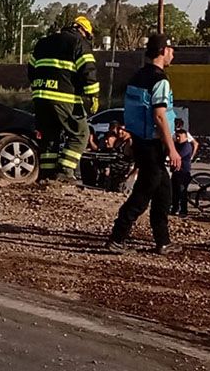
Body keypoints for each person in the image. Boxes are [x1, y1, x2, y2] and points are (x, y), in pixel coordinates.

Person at [107, 35, 180, 254]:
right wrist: (172, 148)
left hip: (140, 141)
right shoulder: (160, 80)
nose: (173, 54)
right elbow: (159, 116)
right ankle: (117, 238)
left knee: (164, 192)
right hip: (151, 145)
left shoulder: (137, 77)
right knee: (142, 193)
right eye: (171, 49)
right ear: (162, 51)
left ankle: (163, 240)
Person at [29, 15, 100, 183]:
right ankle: (65, 172)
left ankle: (46, 175)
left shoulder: (43, 43)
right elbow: (88, 71)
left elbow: (31, 69)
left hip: (40, 98)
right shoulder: (78, 43)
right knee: (81, 133)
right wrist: (93, 96)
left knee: (49, 136)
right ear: (83, 30)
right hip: (64, 97)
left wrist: (40, 87)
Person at [170, 128, 194, 217]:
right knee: (175, 191)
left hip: (183, 173)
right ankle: (174, 208)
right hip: (176, 172)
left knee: (182, 192)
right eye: (176, 136)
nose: (177, 138)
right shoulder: (176, 144)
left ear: (185, 137)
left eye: (179, 137)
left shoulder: (186, 146)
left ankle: (183, 210)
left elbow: (178, 156)